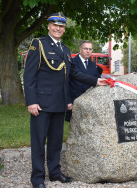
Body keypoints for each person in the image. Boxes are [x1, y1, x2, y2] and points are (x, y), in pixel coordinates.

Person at [23, 12, 107, 188]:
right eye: (55, 25)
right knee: (39, 142)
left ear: (64, 29)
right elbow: (29, 75)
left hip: (60, 104)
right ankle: (37, 178)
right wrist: (31, 101)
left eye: (61, 26)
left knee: (55, 141)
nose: (58, 28)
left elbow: (74, 73)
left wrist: (95, 80)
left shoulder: (66, 50)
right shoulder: (38, 44)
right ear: (48, 26)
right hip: (42, 104)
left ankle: (54, 172)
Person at [65, 40, 102, 122]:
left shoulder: (93, 65)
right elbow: (66, 83)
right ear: (80, 49)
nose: (88, 51)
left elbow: (97, 82)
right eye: (86, 48)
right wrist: (68, 101)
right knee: (75, 129)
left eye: (90, 49)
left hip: (89, 102)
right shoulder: (71, 62)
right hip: (74, 101)